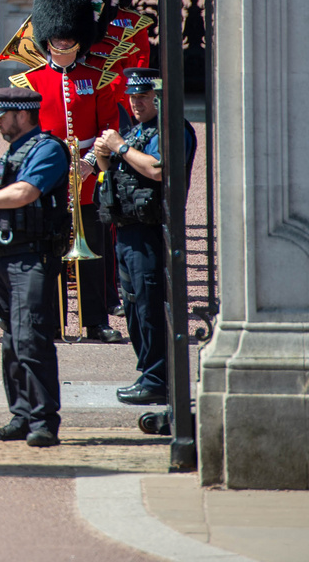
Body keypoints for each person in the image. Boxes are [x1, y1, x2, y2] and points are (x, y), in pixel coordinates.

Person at [19, 0, 125, 344]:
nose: (62, 41)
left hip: (87, 174)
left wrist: (91, 162)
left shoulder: (96, 77)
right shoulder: (31, 81)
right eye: (57, 36)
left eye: (68, 36)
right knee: (52, 251)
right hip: (52, 178)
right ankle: (54, 320)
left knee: (93, 249)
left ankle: (95, 321)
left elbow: (110, 125)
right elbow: (28, 136)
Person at [0, 87, 70, 448]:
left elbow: (26, 193)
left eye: (2, 117)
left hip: (32, 256)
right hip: (8, 256)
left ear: (22, 115)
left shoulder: (48, 149)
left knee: (31, 339)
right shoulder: (16, 151)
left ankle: (43, 421)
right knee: (12, 342)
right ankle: (21, 415)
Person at [93, 67, 196, 406]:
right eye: (132, 96)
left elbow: (157, 169)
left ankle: (158, 378)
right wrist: (105, 159)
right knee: (135, 306)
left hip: (151, 230)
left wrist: (119, 147)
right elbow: (121, 180)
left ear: (159, 97)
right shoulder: (137, 132)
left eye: (143, 97)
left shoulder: (171, 129)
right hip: (127, 228)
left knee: (151, 307)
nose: (135, 103)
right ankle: (148, 373)